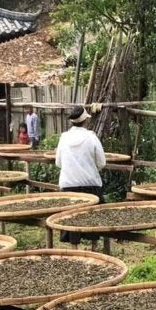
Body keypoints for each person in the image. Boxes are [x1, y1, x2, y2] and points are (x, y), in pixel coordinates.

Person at [56, 105, 106, 246]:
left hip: (68, 184)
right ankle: (94, 247)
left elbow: (58, 162)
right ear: (85, 121)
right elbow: (101, 162)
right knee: (92, 215)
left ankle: (74, 247)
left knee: (72, 216)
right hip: (90, 184)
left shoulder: (64, 138)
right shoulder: (91, 138)